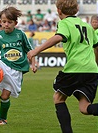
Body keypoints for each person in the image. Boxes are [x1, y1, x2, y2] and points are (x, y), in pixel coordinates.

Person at [27, 0, 98, 132]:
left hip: (75, 68)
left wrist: (35, 51)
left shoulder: (64, 23)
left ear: (59, 11)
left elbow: (59, 37)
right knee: (84, 108)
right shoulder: (88, 26)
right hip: (92, 70)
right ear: (76, 9)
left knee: (58, 98)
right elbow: (96, 47)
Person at [0, 6, 37, 126]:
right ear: (0, 22)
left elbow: (29, 50)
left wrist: (33, 63)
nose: (6, 24)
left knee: (5, 96)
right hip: (3, 64)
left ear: (15, 23)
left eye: (9, 22)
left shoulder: (20, 34)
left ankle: (2, 119)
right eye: (4, 21)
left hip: (17, 69)